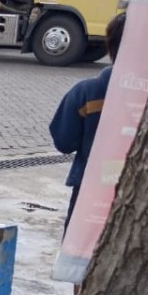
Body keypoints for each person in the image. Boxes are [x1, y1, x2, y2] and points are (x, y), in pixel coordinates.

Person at [49, 13, 127, 228]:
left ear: (110, 46)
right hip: (139, 193)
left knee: (79, 254)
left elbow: (64, 142)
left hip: (90, 190)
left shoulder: (86, 92)